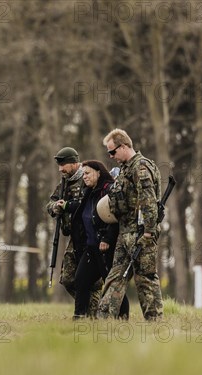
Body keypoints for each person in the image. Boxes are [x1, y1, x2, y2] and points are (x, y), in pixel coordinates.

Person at [97, 128, 163, 321]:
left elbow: (148, 201)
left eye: (113, 152)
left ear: (124, 146)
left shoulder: (140, 167)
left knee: (145, 279)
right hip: (125, 233)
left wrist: (149, 232)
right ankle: (103, 319)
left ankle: (155, 322)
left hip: (142, 234)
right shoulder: (126, 168)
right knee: (115, 276)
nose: (111, 156)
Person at [46, 147, 100, 313]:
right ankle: (90, 308)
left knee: (93, 281)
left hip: (90, 236)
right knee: (68, 279)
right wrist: (55, 207)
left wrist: (68, 206)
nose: (60, 169)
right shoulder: (64, 183)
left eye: (63, 165)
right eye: (59, 165)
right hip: (74, 237)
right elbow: (50, 203)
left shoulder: (87, 179)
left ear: (75, 163)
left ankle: (90, 313)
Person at [73, 160, 129, 319]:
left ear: (98, 172)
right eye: (83, 174)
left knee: (111, 283)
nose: (84, 177)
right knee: (80, 280)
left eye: (88, 173)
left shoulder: (108, 190)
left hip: (106, 247)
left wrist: (107, 239)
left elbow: (115, 218)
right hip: (90, 247)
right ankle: (79, 317)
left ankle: (123, 317)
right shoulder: (87, 192)